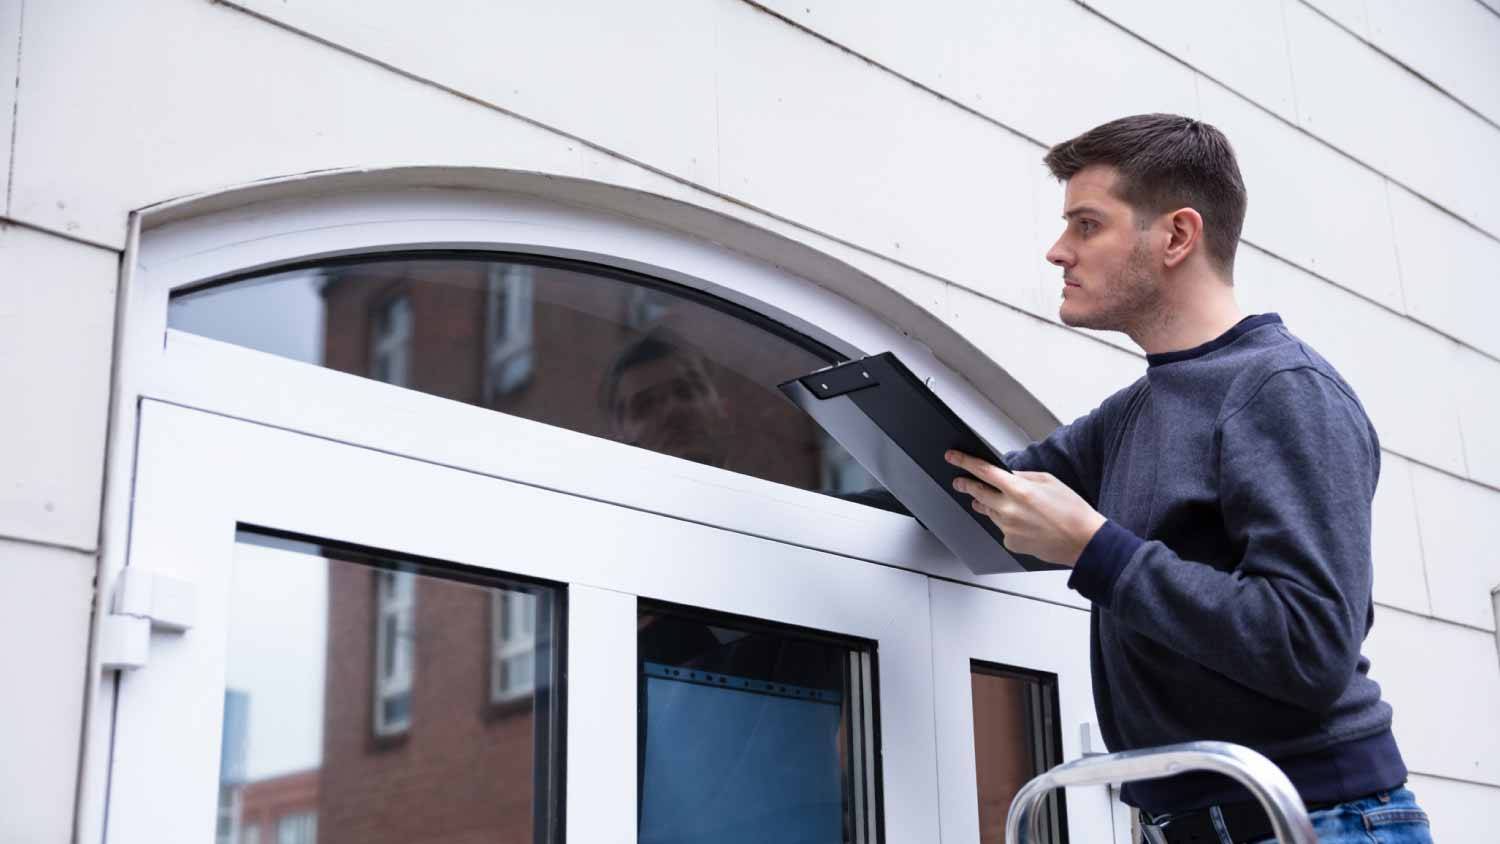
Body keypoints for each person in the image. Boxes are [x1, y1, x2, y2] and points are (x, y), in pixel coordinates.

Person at [945, 114, 1432, 844]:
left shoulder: (1282, 390)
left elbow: (1311, 645)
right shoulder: (1136, 412)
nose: (1057, 251)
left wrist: (1095, 550)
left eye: (1086, 225)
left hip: (1316, 818)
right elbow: (983, 490)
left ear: (1176, 236)